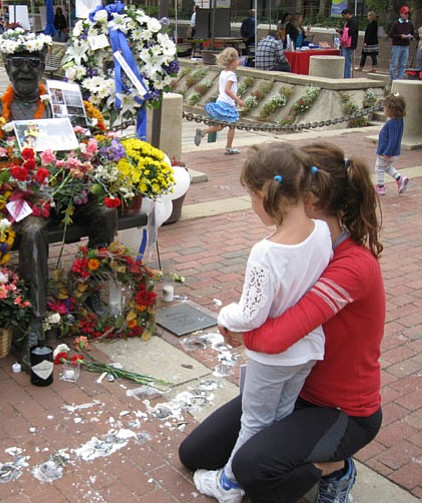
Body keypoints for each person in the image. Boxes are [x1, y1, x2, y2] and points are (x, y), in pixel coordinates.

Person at [179, 140, 385, 503]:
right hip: (295, 385)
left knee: (253, 471)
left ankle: (337, 468)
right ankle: (289, 451)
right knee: (194, 454)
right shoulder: (308, 245)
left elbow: (275, 339)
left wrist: (240, 329)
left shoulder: (352, 265)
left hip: (342, 410)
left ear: (313, 198)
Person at [193, 143, 333, 503]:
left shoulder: (266, 253)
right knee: (281, 415)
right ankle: (258, 467)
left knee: (254, 419)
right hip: (307, 350)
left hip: (272, 359)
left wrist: (224, 315)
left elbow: (251, 315)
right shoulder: (320, 231)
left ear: (264, 194)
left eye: (251, 197)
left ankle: (228, 483)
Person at [0, 31, 117, 362]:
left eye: (32, 64)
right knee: (34, 231)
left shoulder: (59, 100)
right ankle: (36, 319)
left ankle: (90, 284)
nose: (24, 71)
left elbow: (87, 138)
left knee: (106, 212)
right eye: (17, 63)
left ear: (42, 67)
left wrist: (86, 153)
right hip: (24, 197)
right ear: (6, 67)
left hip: (66, 192)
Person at [194, 48, 245, 155]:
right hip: (227, 104)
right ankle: (229, 147)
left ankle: (203, 132)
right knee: (232, 125)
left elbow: (220, 88)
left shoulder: (223, 72)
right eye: (237, 60)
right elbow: (227, 90)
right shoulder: (232, 75)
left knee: (220, 126)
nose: (239, 62)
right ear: (233, 62)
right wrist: (238, 100)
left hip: (220, 101)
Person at [375, 94, 409, 196]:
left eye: (385, 107)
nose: (383, 109)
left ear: (391, 110)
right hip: (395, 152)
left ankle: (380, 187)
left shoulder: (392, 123)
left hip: (387, 151)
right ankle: (399, 178)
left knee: (379, 168)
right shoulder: (399, 120)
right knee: (387, 167)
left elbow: (393, 139)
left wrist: (387, 152)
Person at [389, 6, 416, 80]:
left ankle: (399, 79)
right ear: (401, 14)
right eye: (405, 13)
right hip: (397, 46)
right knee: (394, 64)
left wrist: (411, 37)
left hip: (406, 46)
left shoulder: (410, 24)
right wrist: (400, 36)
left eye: (408, 13)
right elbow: (391, 34)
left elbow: (413, 34)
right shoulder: (396, 23)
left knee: (403, 64)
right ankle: (392, 80)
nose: (407, 15)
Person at [336, 9, 359, 78]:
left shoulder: (353, 21)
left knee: (347, 60)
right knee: (344, 59)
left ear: (348, 14)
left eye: (344, 15)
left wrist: (342, 32)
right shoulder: (348, 21)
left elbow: (351, 32)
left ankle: (346, 76)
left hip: (349, 43)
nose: (344, 17)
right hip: (345, 43)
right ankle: (344, 75)